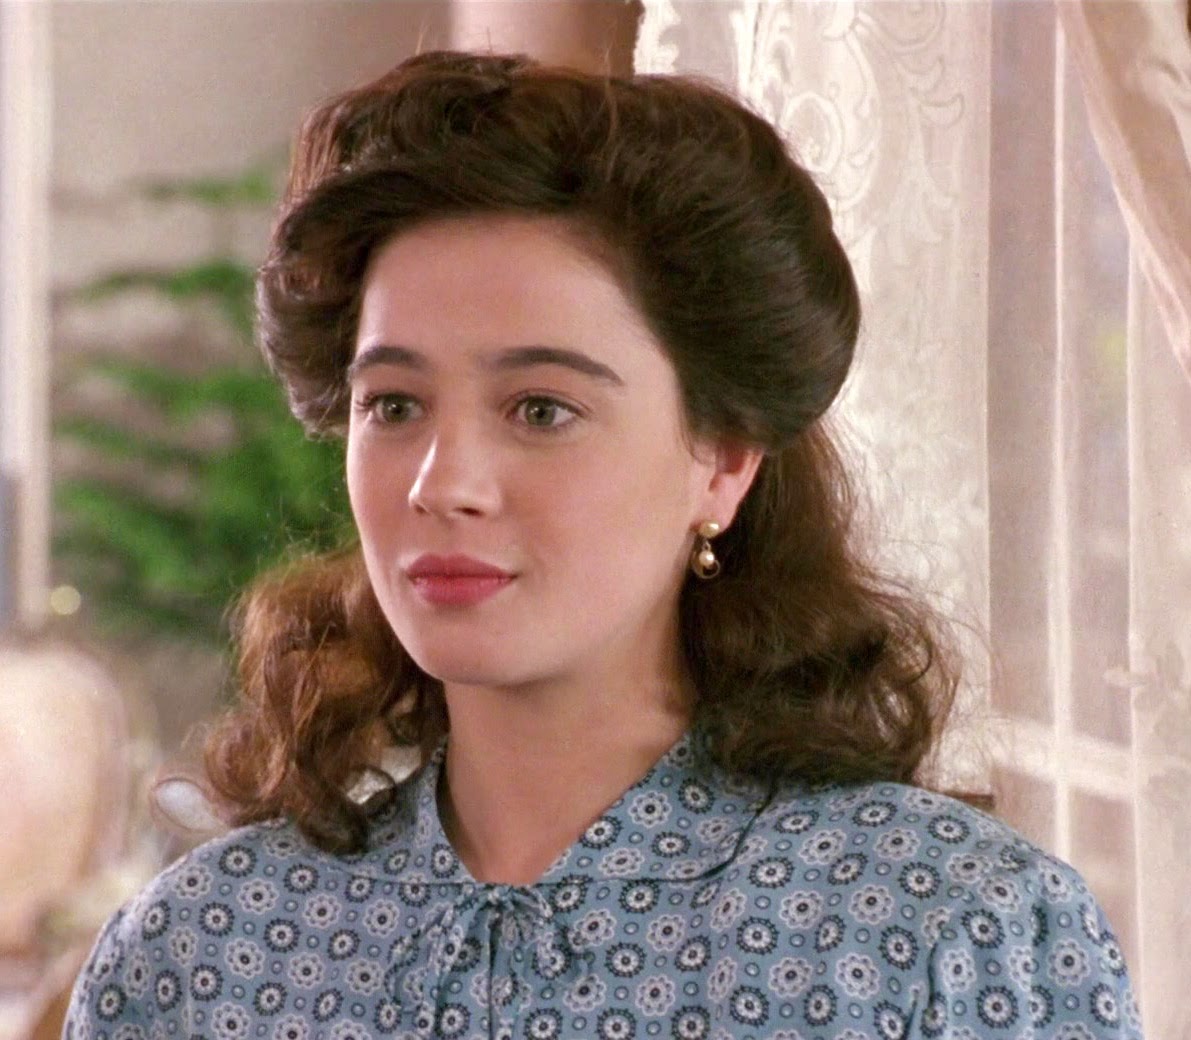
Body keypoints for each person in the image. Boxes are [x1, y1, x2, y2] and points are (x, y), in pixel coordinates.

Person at [64, 50, 1142, 1040]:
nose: (442, 483)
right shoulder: (203, 951)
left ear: (722, 460)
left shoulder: (955, 933)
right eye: (393, 405)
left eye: (540, 409)